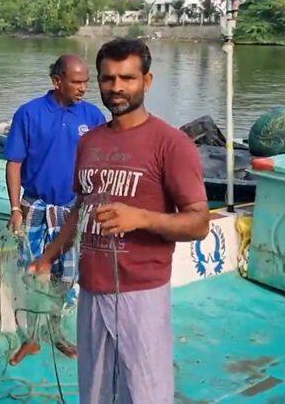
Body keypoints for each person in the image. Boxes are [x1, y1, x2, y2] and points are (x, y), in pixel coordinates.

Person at [30, 38, 210, 403]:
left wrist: (140, 218)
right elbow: (81, 209)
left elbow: (198, 223)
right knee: (94, 390)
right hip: (92, 287)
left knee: (144, 389)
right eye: (108, 79)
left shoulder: (171, 144)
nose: (117, 88)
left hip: (141, 291)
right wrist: (47, 257)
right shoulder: (90, 141)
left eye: (127, 78)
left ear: (148, 80)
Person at [3, 54, 106, 366]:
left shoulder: (93, 116)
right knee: (34, 274)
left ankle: (57, 331)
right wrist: (14, 208)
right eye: (76, 82)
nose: (83, 88)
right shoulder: (29, 113)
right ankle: (32, 338)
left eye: (87, 81)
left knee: (66, 276)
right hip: (35, 206)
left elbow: (102, 162)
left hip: (73, 209)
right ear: (57, 81)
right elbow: (14, 163)